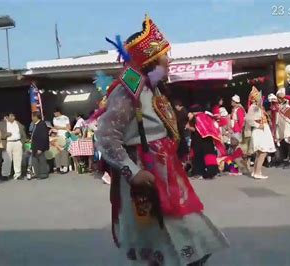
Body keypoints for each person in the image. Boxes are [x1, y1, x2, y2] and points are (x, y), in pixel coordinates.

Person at [95, 15, 228, 265]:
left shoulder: (152, 89)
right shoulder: (127, 93)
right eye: (165, 58)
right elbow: (105, 137)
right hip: (144, 175)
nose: (170, 62)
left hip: (166, 173)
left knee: (191, 236)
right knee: (161, 240)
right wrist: (132, 171)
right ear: (150, 62)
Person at [186, 106, 224, 180]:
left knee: (198, 156)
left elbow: (196, 130)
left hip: (199, 140)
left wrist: (188, 127)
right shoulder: (207, 116)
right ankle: (212, 172)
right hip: (209, 139)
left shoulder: (195, 117)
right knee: (209, 155)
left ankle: (198, 172)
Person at [247, 87, 276, 179]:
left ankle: (255, 171)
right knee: (263, 152)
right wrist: (257, 125)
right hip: (259, 131)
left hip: (263, 130)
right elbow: (248, 119)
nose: (261, 98)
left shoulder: (258, 107)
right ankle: (258, 172)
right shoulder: (254, 107)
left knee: (260, 153)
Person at [271, 88, 290, 168]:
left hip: (287, 125)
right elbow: (274, 117)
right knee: (281, 143)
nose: (278, 99)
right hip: (279, 126)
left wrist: (284, 96)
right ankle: (283, 159)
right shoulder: (276, 105)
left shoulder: (289, 103)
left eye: (279, 97)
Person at [0, 112, 27, 180]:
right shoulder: (2, 124)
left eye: (13, 116)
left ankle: (17, 174)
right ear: (7, 117)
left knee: (18, 159)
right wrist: (5, 135)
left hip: (17, 142)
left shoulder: (18, 123)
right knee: (7, 159)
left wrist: (22, 142)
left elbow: (23, 132)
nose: (13, 117)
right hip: (8, 143)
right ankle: (5, 174)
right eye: (11, 116)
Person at [30, 111, 50, 179]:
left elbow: (44, 137)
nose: (31, 118)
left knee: (41, 160)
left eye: (32, 116)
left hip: (39, 147)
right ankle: (37, 173)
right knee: (35, 160)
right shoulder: (35, 124)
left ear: (36, 117)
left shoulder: (42, 124)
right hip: (35, 146)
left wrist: (41, 148)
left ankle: (44, 174)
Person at [52, 108, 71, 174]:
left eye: (55, 112)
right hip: (57, 136)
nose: (54, 114)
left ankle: (65, 166)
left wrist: (60, 127)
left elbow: (68, 127)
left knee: (64, 151)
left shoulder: (65, 117)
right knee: (57, 151)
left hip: (64, 136)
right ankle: (59, 167)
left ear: (58, 112)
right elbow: (55, 127)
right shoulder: (54, 119)